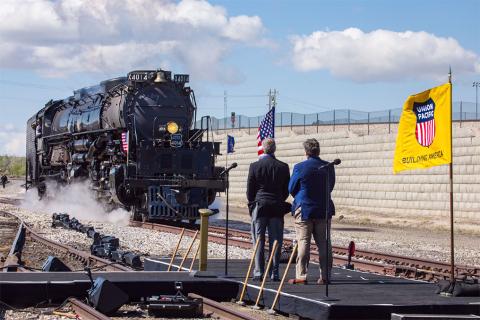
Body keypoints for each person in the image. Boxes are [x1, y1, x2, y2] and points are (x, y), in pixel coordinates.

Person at [288, 138, 335, 285]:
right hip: (323, 209)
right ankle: (325, 276)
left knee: (303, 242)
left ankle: (302, 276)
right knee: (324, 243)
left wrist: (302, 196)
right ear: (318, 151)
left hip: (304, 209)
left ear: (306, 152)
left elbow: (291, 188)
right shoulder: (328, 166)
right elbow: (330, 186)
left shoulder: (300, 167)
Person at [247, 138, 290, 281]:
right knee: (276, 240)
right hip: (277, 206)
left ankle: (259, 272)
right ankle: (274, 272)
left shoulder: (254, 166)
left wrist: (254, 201)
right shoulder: (283, 167)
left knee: (258, 240)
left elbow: (250, 192)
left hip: (260, 206)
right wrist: (278, 198)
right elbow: (286, 191)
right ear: (275, 149)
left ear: (263, 148)